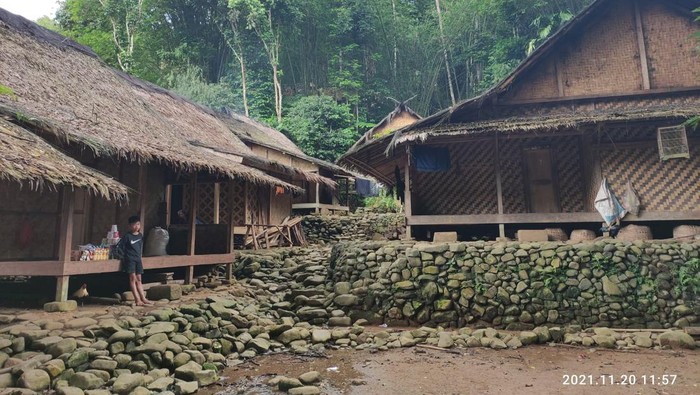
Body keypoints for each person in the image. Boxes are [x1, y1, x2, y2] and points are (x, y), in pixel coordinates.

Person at [118, 215, 153, 306]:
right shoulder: (127, 236)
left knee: (139, 279)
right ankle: (137, 299)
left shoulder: (140, 236)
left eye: (138, 224)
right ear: (129, 226)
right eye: (134, 225)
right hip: (130, 260)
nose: (136, 226)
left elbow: (140, 247)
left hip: (138, 259)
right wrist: (123, 257)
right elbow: (120, 248)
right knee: (132, 279)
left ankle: (143, 298)